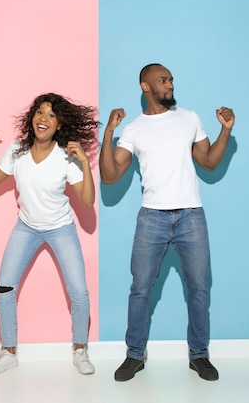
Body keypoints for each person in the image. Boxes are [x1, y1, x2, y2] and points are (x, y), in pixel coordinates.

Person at [99, 63, 235, 382]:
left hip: (191, 215)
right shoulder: (133, 129)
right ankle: (135, 355)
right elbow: (108, 176)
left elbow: (209, 162)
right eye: (163, 80)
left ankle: (199, 355)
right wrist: (109, 132)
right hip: (152, 217)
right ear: (146, 87)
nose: (170, 85)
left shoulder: (189, 118)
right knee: (140, 289)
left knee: (199, 289)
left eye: (171, 80)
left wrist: (225, 130)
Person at [0, 93, 100, 376]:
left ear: (59, 125)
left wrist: (83, 162)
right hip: (27, 226)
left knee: (79, 292)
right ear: (31, 117)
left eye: (51, 115)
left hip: (61, 228)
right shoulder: (18, 150)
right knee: (5, 288)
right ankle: (8, 353)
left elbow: (87, 200)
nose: (43, 119)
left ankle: (80, 351)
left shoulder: (65, 156)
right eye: (39, 113)